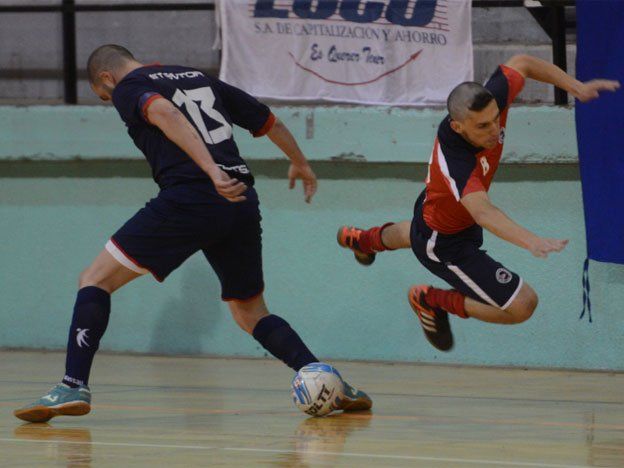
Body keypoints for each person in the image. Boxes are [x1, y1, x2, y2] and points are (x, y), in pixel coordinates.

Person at [15, 44, 371, 422]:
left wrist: (211, 171)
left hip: (191, 196)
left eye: (104, 96)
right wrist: (300, 162)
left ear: (106, 77)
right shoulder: (196, 76)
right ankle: (328, 381)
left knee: (94, 279)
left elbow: (164, 112)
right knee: (250, 311)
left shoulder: (128, 86)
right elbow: (269, 121)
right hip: (240, 199)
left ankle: (73, 384)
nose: (110, 101)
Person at [337, 54, 619, 351]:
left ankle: (364, 240)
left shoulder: (490, 100)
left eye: (496, 119)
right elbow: (484, 213)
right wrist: (531, 241)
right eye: (483, 126)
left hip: (436, 211)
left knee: (418, 231)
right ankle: (431, 301)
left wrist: (576, 87)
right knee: (523, 305)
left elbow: (523, 62)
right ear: (458, 127)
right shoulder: (456, 160)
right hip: (448, 245)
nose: (495, 130)